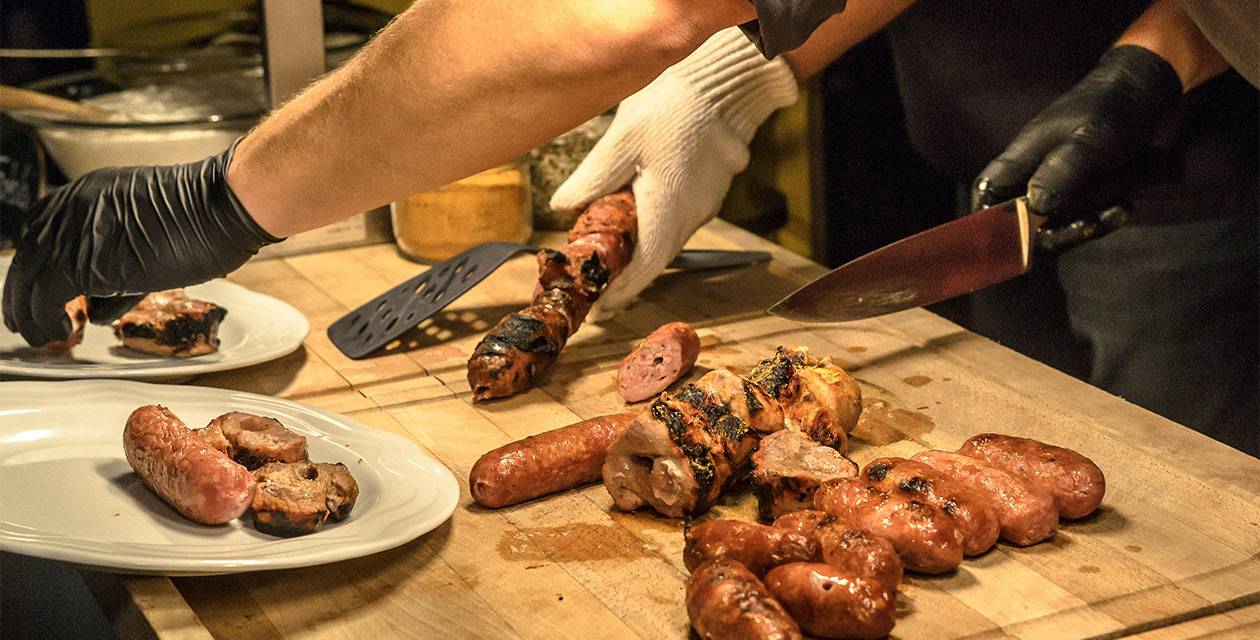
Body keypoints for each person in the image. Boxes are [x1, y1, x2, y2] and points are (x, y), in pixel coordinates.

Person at [550, 0, 1258, 456]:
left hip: (1176, 172)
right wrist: (733, 79)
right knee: (1029, 439)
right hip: (998, 187)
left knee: (1191, 488)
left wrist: (1148, 69)